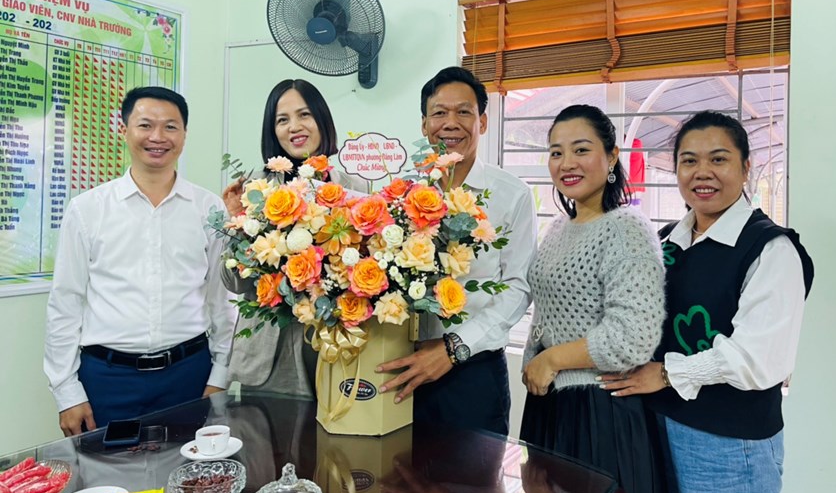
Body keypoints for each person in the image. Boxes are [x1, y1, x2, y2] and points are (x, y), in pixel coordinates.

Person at [600, 111, 814, 493]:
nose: (702, 172)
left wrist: (666, 373)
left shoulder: (770, 249)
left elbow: (758, 358)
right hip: (655, 426)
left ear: (746, 167)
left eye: (718, 159)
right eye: (689, 160)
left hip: (728, 444)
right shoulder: (666, 242)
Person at [44, 86, 237, 435]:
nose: (157, 137)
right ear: (124, 130)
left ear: (184, 135)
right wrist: (66, 393)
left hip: (189, 375)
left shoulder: (209, 209)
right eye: (145, 125)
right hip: (108, 380)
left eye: (170, 127)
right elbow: (65, 302)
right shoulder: (87, 210)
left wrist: (220, 375)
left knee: (191, 468)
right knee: (107, 468)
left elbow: (222, 299)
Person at [519, 104, 667, 493]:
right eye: (556, 152)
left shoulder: (627, 228)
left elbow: (632, 337)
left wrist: (551, 360)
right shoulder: (558, 227)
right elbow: (547, 311)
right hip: (550, 405)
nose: (567, 163)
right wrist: (535, 363)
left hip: (598, 410)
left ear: (612, 156)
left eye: (581, 149)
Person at [377, 66, 537, 436]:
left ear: (482, 122)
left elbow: (518, 288)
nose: (451, 123)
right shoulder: (400, 193)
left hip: (473, 373)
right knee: (393, 469)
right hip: (402, 366)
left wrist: (454, 348)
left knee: (473, 476)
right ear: (424, 124)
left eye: (464, 112)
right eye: (439, 113)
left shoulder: (511, 195)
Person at [222, 78, 367, 397]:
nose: (294, 127)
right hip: (269, 353)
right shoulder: (252, 189)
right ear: (272, 131)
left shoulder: (356, 189)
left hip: (335, 344)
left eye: (304, 115)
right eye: (282, 120)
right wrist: (236, 225)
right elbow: (234, 283)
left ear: (321, 119)